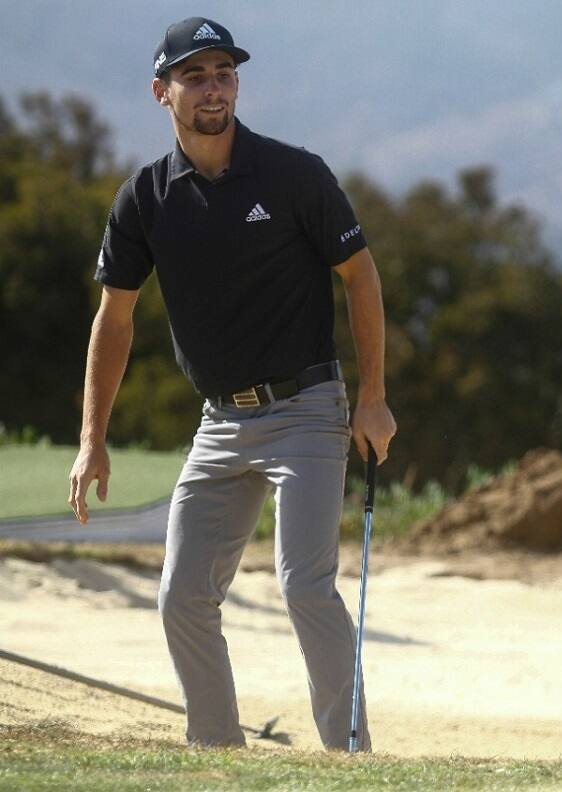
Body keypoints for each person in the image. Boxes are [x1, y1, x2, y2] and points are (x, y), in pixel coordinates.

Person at [67, 17, 396, 750]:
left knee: (305, 587)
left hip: (309, 409)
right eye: (195, 75)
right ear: (163, 92)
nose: (213, 88)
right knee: (184, 596)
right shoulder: (144, 200)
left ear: (237, 84)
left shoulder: (294, 174)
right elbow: (113, 320)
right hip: (220, 423)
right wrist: (93, 440)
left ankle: (349, 758)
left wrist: (371, 397)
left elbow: (360, 275)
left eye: (224, 73)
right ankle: (217, 755)